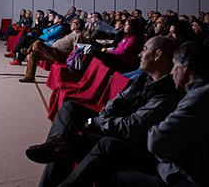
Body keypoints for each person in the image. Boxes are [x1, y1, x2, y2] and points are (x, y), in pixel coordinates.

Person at [60, 41, 209, 187]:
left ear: (187, 68)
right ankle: (57, 145)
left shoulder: (200, 96)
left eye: (175, 66)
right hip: (176, 166)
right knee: (67, 144)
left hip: (184, 178)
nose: (172, 72)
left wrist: (99, 122)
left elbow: (155, 140)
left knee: (108, 167)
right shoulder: (204, 92)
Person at [26, 36, 181, 187]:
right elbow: (119, 99)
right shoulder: (144, 78)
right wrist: (102, 116)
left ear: (158, 55)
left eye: (145, 49)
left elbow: (131, 126)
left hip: (131, 141)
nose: (140, 54)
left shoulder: (167, 94)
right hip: (112, 123)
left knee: (87, 144)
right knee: (69, 111)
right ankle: (56, 141)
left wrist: (97, 122)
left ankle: (59, 146)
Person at [17, 17, 86, 82]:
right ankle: (29, 77)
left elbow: (76, 49)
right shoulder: (72, 33)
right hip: (54, 51)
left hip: (60, 54)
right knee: (33, 55)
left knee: (38, 43)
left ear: (78, 25)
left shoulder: (79, 35)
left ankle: (28, 51)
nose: (71, 24)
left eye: (73, 22)